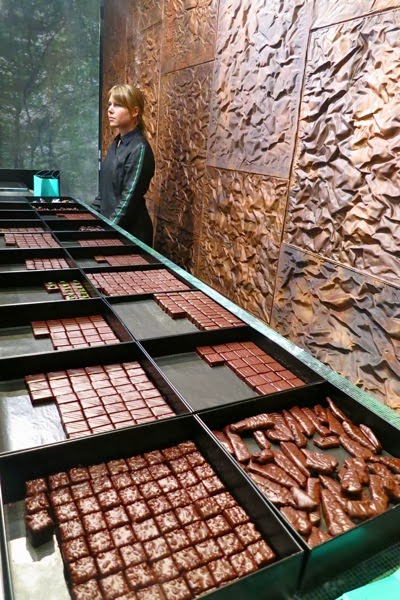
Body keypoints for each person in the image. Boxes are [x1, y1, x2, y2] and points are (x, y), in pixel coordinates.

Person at [93, 84, 155, 246]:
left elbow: (128, 200)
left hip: (130, 236)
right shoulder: (116, 144)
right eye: (110, 104)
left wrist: (106, 234)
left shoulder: (139, 148)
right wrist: (89, 218)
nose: (110, 110)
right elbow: (104, 193)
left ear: (135, 112)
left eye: (118, 105)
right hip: (111, 231)